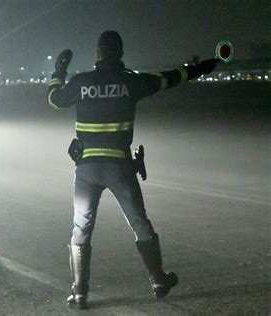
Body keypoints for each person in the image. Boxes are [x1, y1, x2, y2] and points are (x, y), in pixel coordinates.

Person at [47, 30, 216, 310]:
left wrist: (59, 69)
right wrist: (198, 68)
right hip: (120, 168)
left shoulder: (82, 82)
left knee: (81, 228)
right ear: (121, 54)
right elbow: (169, 78)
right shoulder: (132, 81)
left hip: (87, 169)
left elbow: (54, 99)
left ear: (98, 54)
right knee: (140, 223)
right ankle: (159, 280)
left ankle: (79, 293)